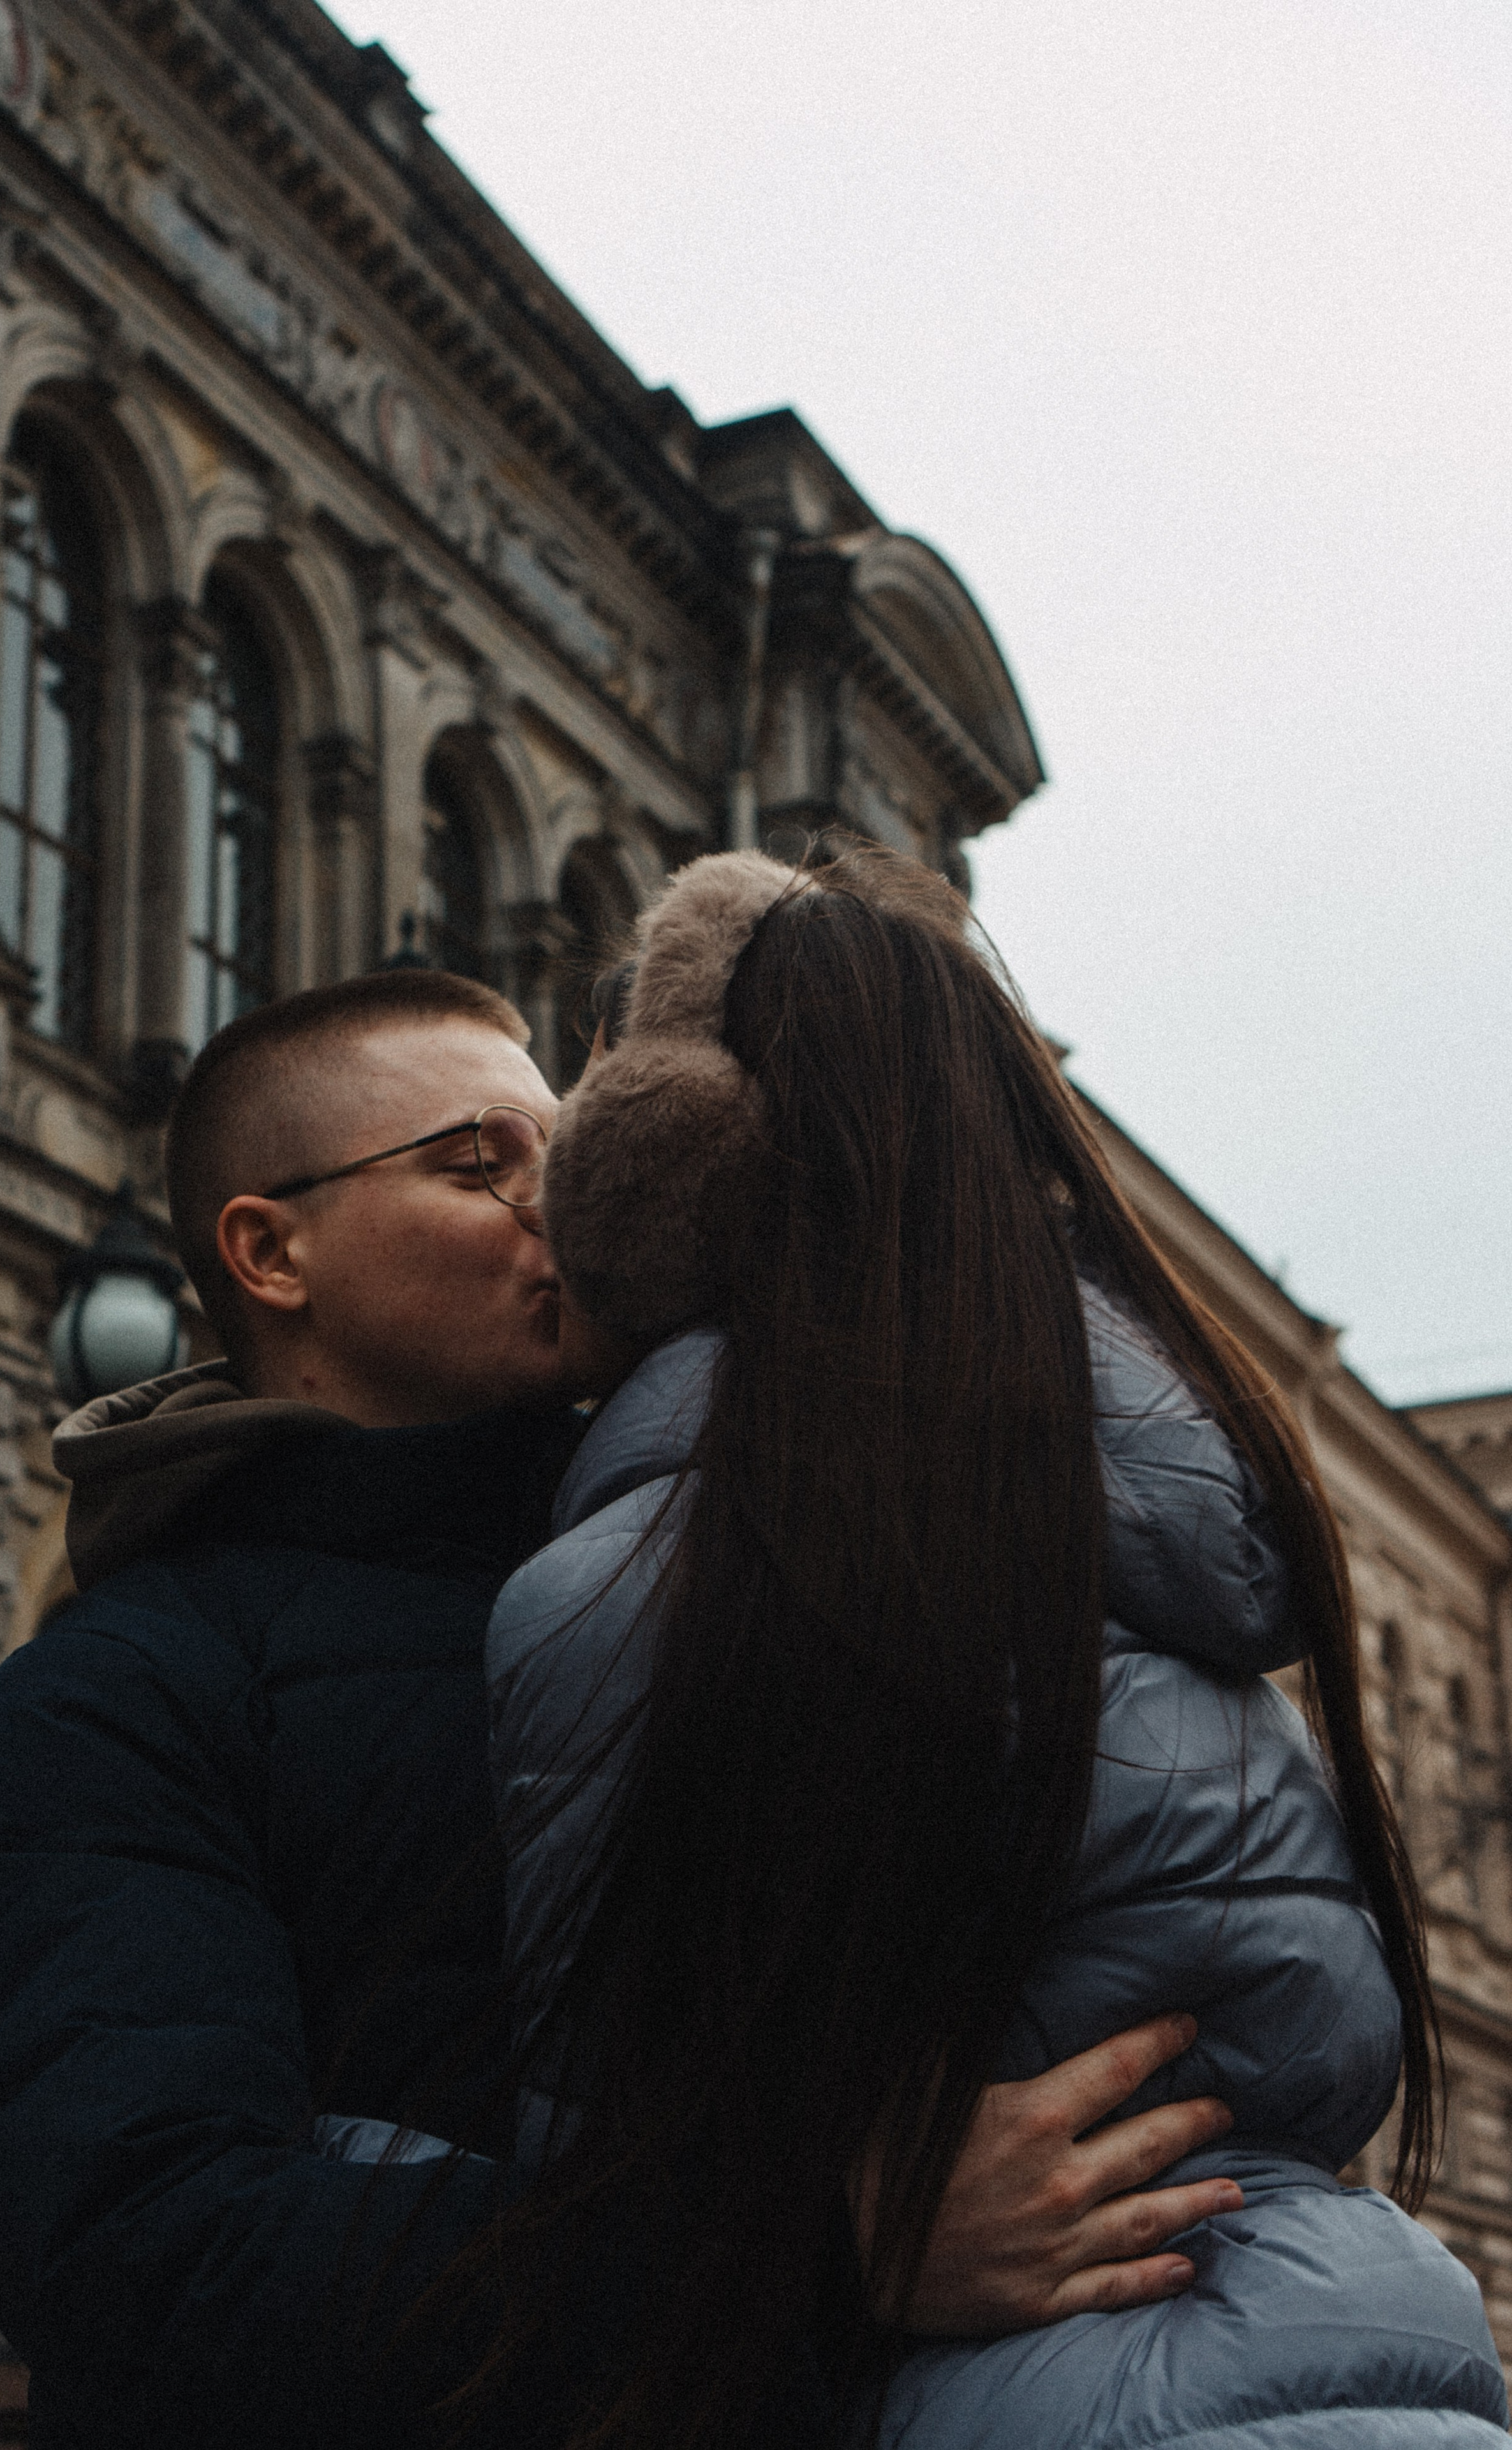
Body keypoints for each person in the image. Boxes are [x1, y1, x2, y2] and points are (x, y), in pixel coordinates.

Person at [0, 963, 1246, 2450]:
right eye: (478, 1164)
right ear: (270, 1252)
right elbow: (141, 2238)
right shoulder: (126, 1687)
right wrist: (824, 2251)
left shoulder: (733, 1582)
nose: (566, 1207)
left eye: (576, 1155)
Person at [478, 845, 1509, 2449]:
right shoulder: (1182, 1544)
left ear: (660, 1175)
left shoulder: (623, 1597)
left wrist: (835, 2237)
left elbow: (595, 2229)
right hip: (1366, 2340)